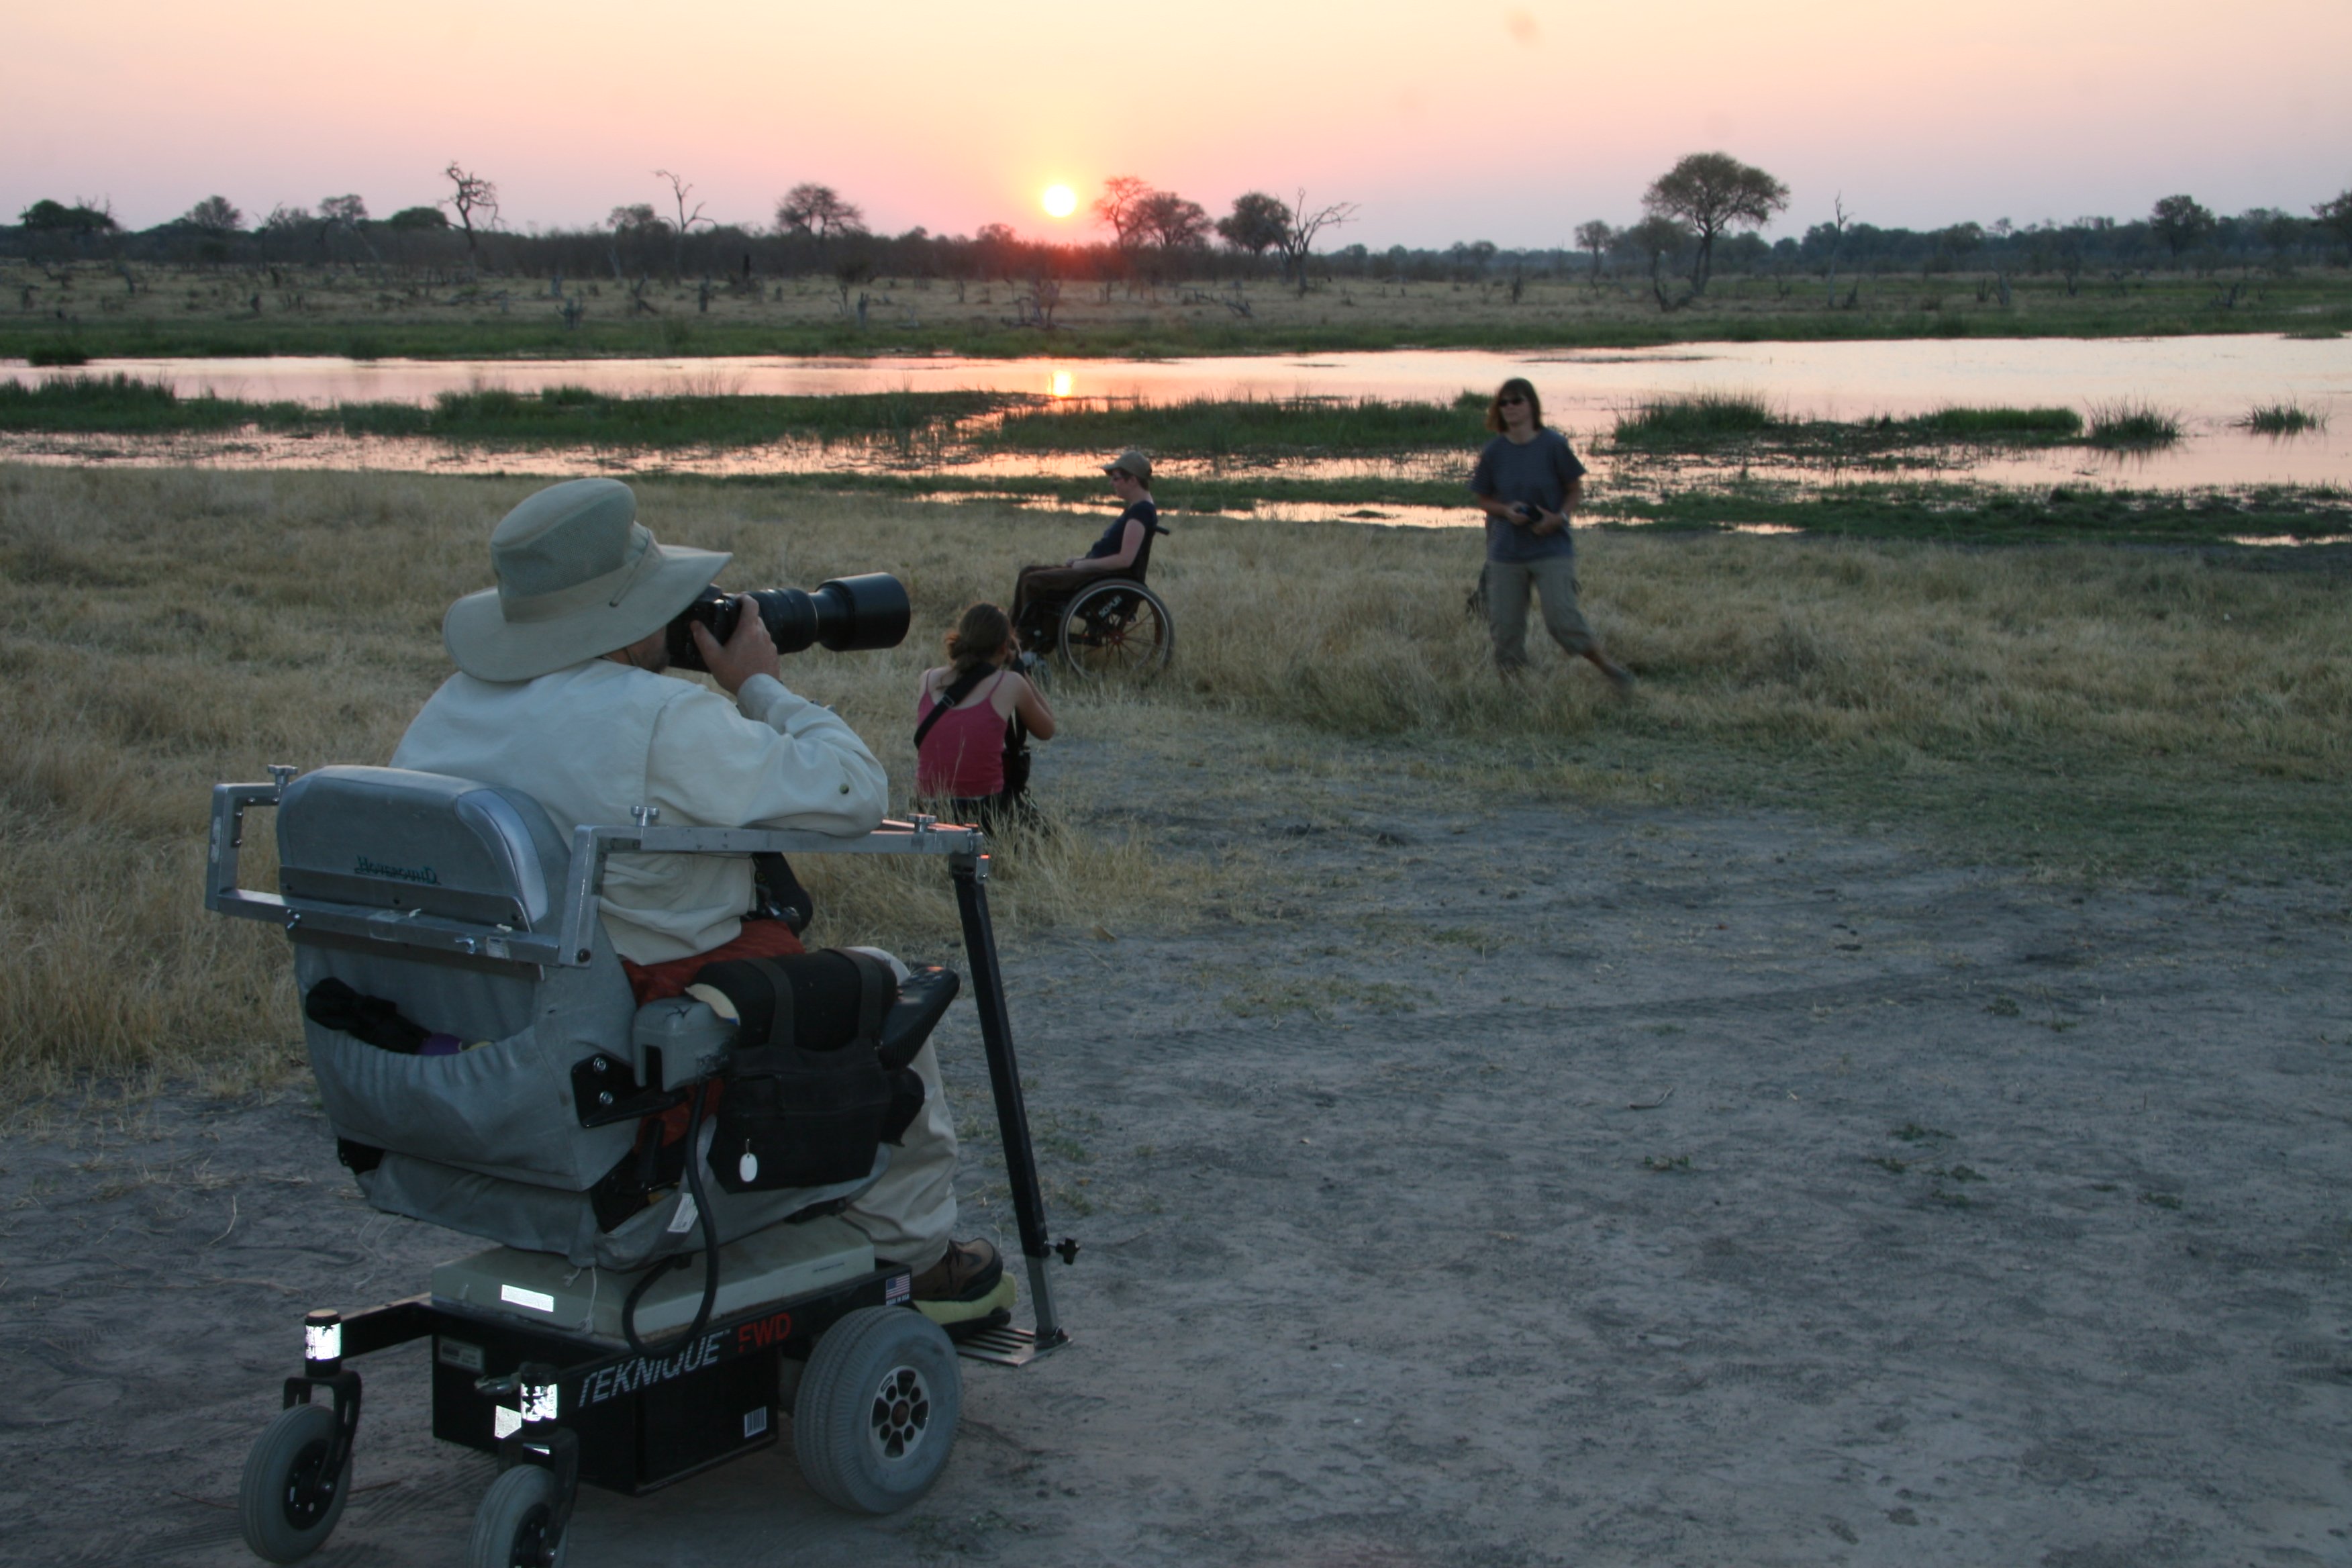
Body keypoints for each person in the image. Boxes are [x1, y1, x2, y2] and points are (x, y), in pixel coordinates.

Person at [388, 477, 1012, 1328]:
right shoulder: (656, 717)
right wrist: (759, 684)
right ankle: (915, 1251)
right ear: (631, 615)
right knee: (884, 984)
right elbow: (855, 789)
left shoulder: (444, 715)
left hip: (484, 1063)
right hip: (629, 1060)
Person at [1468, 377, 1634, 688]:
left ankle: (1611, 672)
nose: (1510, 408)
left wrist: (1559, 517)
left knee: (1562, 620)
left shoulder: (1554, 445)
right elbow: (1483, 498)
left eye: (1517, 401)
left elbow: (1574, 489)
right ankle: (1513, 693)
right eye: (1503, 403)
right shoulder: (1494, 452)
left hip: (1551, 548)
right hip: (1506, 552)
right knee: (1505, 631)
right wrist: (1505, 511)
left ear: (1532, 405)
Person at [915, 603, 1056, 831]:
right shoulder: (1009, 684)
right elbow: (1047, 729)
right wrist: (1018, 667)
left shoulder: (929, 679)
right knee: (1046, 834)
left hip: (929, 808)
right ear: (1004, 646)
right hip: (983, 809)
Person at [1010, 448, 1167, 647]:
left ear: (1133, 480)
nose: (1112, 483)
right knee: (1028, 572)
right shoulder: (1137, 509)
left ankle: (1029, 644)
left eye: (1116, 478)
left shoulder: (1141, 513)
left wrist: (1085, 565)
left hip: (1103, 578)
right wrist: (1083, 561)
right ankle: (1011, 634)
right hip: (1097, 573)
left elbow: (1125, 560)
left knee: (1034, 581)